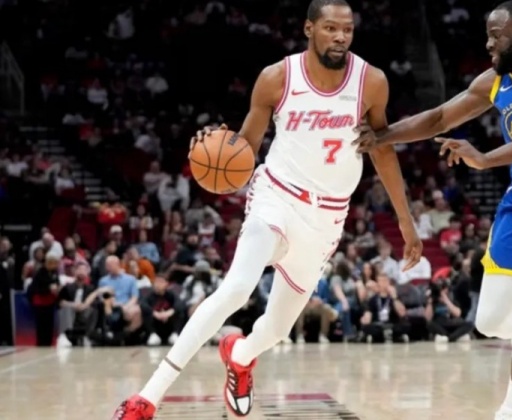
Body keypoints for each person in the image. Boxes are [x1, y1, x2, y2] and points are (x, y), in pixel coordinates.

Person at [113, 1, 422, 418]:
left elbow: (382, 150)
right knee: (237, 288)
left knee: (277, 329)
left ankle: (239, 357)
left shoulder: (372, 81)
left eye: (347, 29)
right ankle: (146, 398)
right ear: (309, 29)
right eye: (330, 28)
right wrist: (216, 146)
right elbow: (243, 150)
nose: (340, 37)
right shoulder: (277, 77)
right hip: (277, 197)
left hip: (327, 218)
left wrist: (405, 219)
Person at [353, 1, 512, 418]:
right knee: (489, 322)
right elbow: (440, 117)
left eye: (496, 36)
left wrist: (486, 159)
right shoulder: (496, 81)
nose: (488, 44)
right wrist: (383, 137)